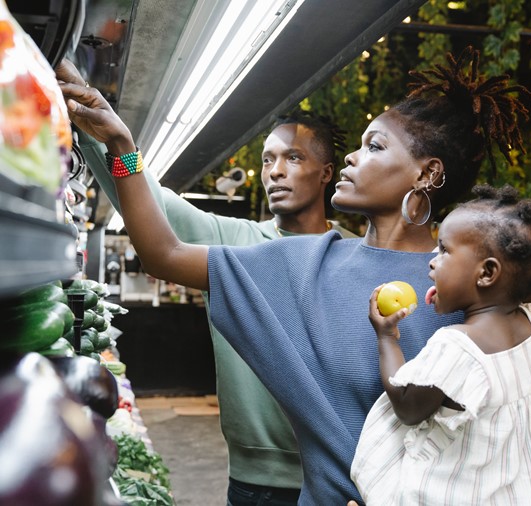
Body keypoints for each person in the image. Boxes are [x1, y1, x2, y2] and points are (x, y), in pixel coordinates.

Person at [57, 46, 531, 504]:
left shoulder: (476, 291)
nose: (350, 155)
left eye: (375, 146)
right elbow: (164, 252)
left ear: (427, 173)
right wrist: (122, 147)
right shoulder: (302, 262)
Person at [56, 58, 356, 505]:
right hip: (253, 483)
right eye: (268, 158)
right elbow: (145, 199)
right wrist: (102, 127)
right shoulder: (236, 241)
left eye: (293, 158)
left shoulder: (357, 256)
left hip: (342, 481)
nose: (275, 171)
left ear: (327, 172)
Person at [351, 184, 531, 505]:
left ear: (486, 273)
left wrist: (387, 338)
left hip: (456, 492)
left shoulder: (457, 347)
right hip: (519, 491)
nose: (431, 261)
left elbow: (408, 408)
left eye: (443, 250)